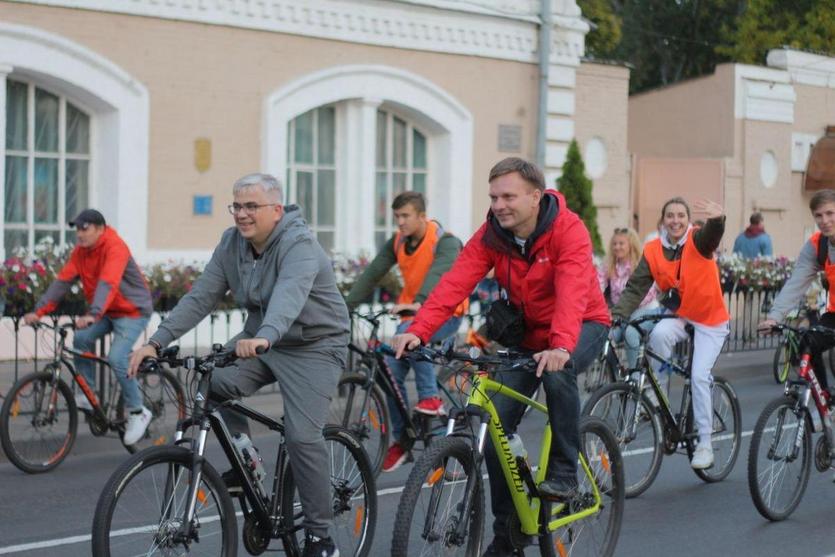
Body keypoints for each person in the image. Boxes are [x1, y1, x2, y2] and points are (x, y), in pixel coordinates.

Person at [393, 157, 610, 557]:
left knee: (559, 374)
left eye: (508, 196)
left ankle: (564, 471)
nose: (499, 205)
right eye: (493, 197)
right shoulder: (493, 235)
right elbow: (454, 282)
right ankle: (509, 534)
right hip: (528, 335)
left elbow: (571, 292)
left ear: (535, 196)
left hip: (581, 324)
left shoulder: (568, 230)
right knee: (492, 433)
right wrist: (417, 329)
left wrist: (561, 346)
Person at [128, 173, 349, 557]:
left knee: (301, 436)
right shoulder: (232, 245)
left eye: (252, 206)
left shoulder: (299, 244)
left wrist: (266, 334)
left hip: (315, 344)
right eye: (237, 206)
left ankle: (320, 536)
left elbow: (289, 294)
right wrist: (155, 342)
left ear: (276, 211)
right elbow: (201, 297)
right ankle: (248, 457)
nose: (242, 214)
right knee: (209, 383)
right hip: (260, 339)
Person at [345, 191, 467, 472]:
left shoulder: (444, 242)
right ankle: (404, 440)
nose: (399, 222)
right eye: (396, 216)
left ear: (422, 216)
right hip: (411, 315)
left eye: (405, 216)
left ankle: (431, 400)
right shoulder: (398, 242)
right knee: (390, 373)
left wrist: (421, 304)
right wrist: (343, 306)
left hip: (445, 314)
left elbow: (439, 274)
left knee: (412, 330)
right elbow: (372, 273)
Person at [612, 197, 729, 470]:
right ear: (663, 220)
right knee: (657, 336)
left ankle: (704, 443)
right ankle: (658, 398)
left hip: (710, 320)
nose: (675, 220)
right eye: (670, 216)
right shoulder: (653, 250)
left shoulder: (698, 241)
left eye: (680, 216)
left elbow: (712, 237)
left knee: (699, 375)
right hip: (680, 315)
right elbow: (636, 287)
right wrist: (618, 316)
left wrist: (717, 220)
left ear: (688, 220)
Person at [23, 209, 154, 445]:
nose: (80, 234)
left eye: (85, 228)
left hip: (132, 312)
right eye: (77, 229)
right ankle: (88, 393)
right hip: (107, 311)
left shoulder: (115, 247)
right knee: (81, 339)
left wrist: (93, 313)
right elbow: (62, 282)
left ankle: (138, 411)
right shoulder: (81, 252)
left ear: (100, 228)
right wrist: (38, 311)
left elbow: (108, 282)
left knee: (116, 358)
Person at [759, 190, 835, 393]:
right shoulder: (818, 245)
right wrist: (774, 317)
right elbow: (796, 283)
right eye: (819, 215)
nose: (824, 220)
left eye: (830, 213)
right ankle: (825, 401)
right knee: (806, 344)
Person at [598, 227, 661, 368]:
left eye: (621, 243)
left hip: (646, 309)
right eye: (614, 244)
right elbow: (598, 284)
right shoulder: (609, 265)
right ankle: (613, 376)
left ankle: (635, 376)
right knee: (604, 336)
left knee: (630, 333)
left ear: (630, 245)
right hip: (622, 313)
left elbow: (647, 294)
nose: (617, 247)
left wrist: (623, 312)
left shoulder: (640, 264)